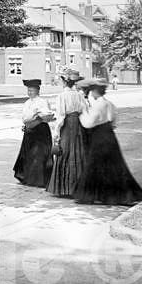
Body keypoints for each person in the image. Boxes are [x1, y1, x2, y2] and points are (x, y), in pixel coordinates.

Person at [74, 80, 142, 205]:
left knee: (94, 165)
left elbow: (88, 123)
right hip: (109, 135)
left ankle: (90, 195)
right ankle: (120, 194)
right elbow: (113, 123)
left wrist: (82, 113)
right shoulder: (109, 104)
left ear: (95, 92)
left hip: (98, 136)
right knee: (114, 166)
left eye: (92, 91)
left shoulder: (97, 105)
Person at [46, 68, 88, 198]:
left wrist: (56, 133)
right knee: (77, 153)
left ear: (64, 82)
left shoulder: (62, 96)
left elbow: (61, 116)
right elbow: (84, 110)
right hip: (78, 125)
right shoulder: (79, 95)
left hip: (67, 126)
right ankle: (78, 187)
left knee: (64, 153)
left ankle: (65, 188)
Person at [12, 79, 54, 187]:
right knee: (28, 153)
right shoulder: (27, 102)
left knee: (39, 154)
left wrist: (36, 119)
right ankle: (27, 177)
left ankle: (39, 180)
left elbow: (47, 116)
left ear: (37, 91)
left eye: (32, 90)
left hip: (40, 131)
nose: (30, 92)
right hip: (30, 131)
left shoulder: (42, 102)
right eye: (28, 90)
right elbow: (25, 117)